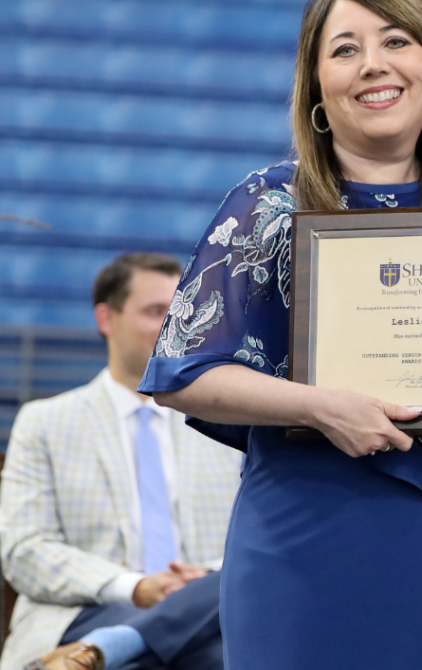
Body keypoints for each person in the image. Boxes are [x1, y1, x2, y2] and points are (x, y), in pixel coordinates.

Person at [140, 0, 422, 670]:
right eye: (344, 49)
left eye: (396, 40)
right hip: (303, 540)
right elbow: (183, 370)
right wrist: (321, 407)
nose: (373, 63)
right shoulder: (268, 204)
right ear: (317, 89)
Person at [0, 253, 241, 670]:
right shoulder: (45, 422)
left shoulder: (224, 424)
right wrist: (136, 587)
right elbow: (24, 549)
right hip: (88, 608)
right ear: (106, 319)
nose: (175, 326)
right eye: (156, 312)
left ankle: (111, 647)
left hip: (207, 609)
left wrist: (199, 581)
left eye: (183, 311)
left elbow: (253, 538)